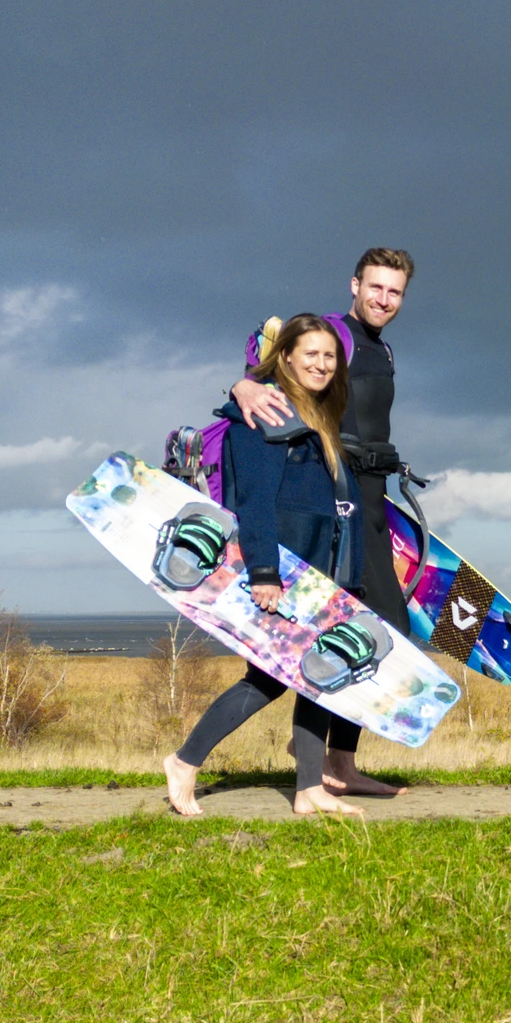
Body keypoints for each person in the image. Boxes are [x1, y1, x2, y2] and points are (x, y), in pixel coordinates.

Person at [231, 248, 413, 798]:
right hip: (342, 497)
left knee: (384, 630)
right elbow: (273, 358)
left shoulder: (380, 349)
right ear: (354, 284)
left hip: (373, 494)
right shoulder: (338, 333)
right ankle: (321, 759)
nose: (384, 299)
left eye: (395, 292)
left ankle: (339, 759)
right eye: (375, 287)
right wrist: (241, 386)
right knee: (368, 631)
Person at [166, 314, 362, 819]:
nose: (320, 363)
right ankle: (185, 761)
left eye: (329, 355)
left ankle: (308, 790)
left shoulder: (314, 413)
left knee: (318, 675)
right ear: (287, 357)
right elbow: (253, 501)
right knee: (268, 678)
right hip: (281, 566)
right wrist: (266, 573)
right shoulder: (264, 414)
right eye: (310, 353)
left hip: (317, 565)